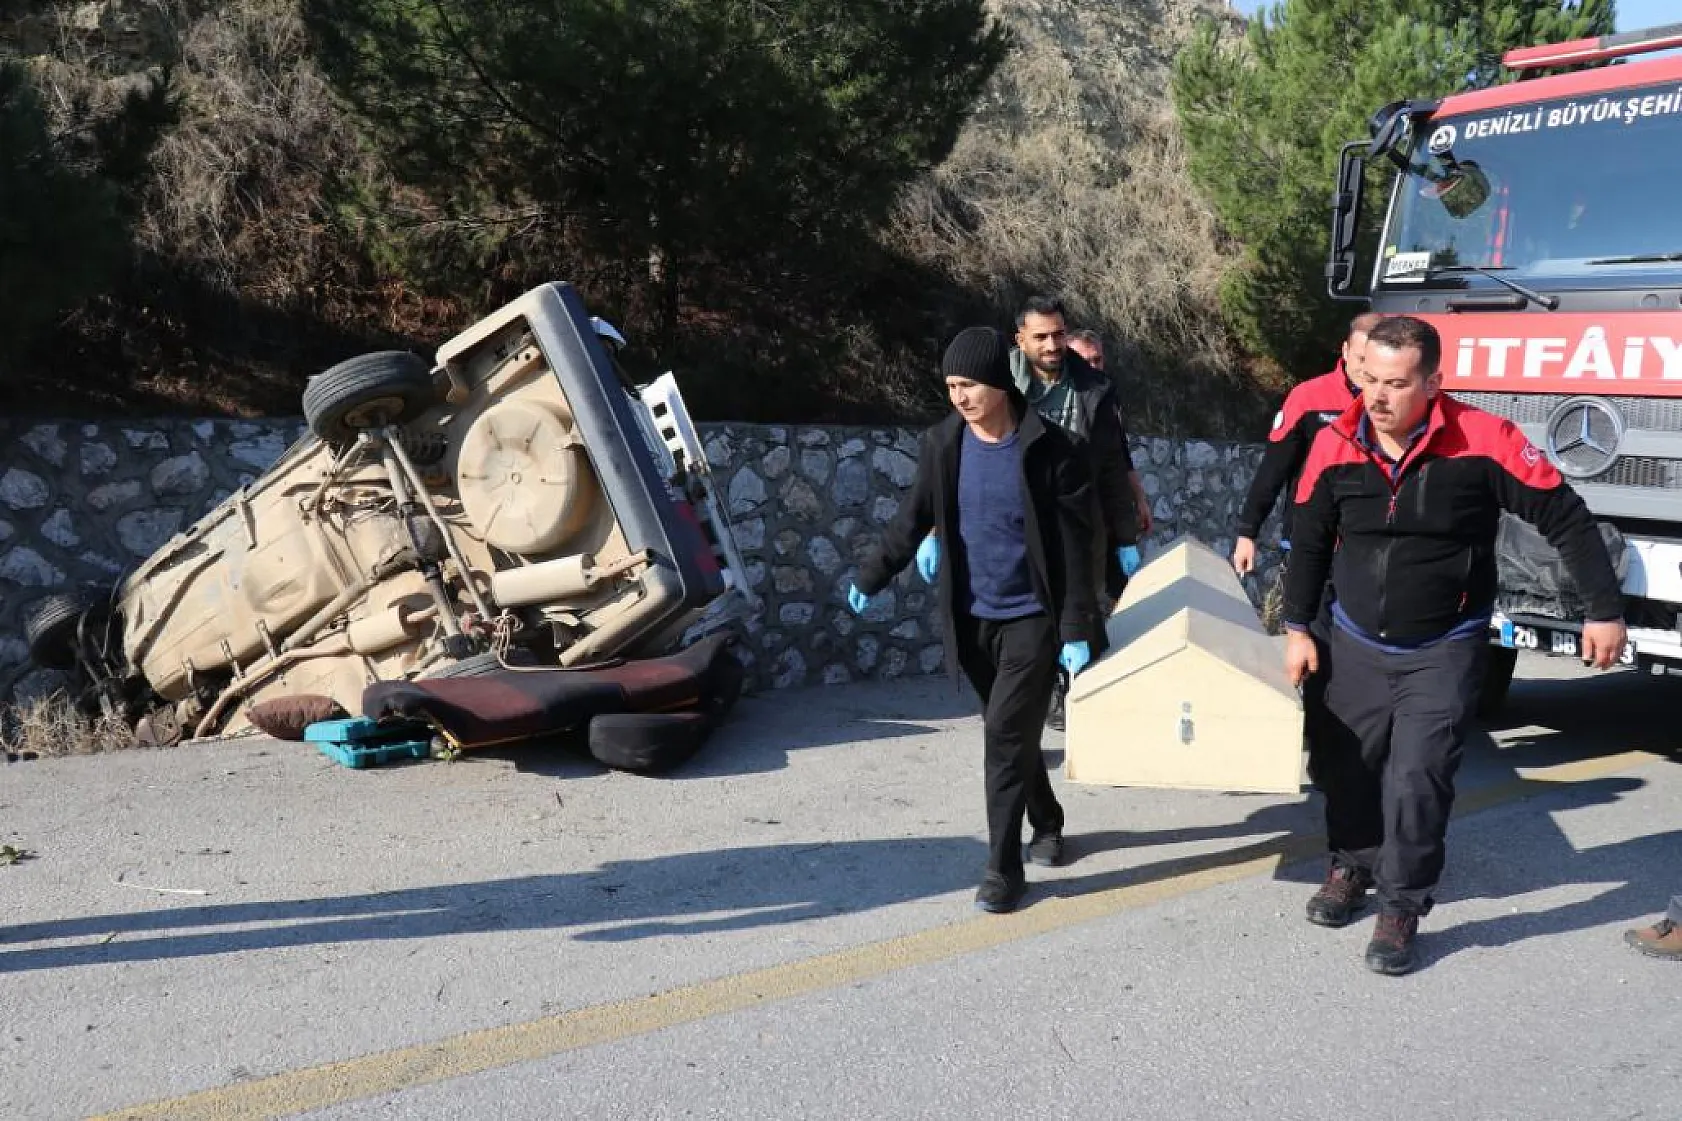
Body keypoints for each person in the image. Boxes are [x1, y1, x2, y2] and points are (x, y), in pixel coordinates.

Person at [1282, 314, 1626, 976]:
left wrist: (1602, 611)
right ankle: (1352, 866)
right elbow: (1309, 539)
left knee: (1418, 778)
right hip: (1351, 637)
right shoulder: (1336, 443)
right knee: (1345, 764)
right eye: (1368, 379)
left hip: (1444, 643)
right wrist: (1298, 627)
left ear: (1434, 382)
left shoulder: (1484, 439)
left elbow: (1567, 518)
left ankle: (1401, 905)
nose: (1377, 397)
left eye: (1396, 383)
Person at [848, 326, 1096, 914]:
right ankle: (1049, 819)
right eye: (951, 386)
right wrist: (871, 576)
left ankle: (1003, 870)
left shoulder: (1049, 448)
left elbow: (1075, 548)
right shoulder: (944, 445)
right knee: (1013, 732)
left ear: (1000, 383)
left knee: (1004, 738)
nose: (959, 396)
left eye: (970, 384)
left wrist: (1077, 627)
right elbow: (912, 518)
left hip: (1031, 617)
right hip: (974, 616)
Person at [1231, 311, 1383, 578]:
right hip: (1308, 540)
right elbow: (1273, 469)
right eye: (1360, 359)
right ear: (1345, 350)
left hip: (1370, 546)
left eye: (1373, 361)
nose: (1365, 369)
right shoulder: (1308, 398)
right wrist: (1247, 533)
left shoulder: (1395, 404)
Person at [1067, 328, 1153, 541]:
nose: (1093, 367)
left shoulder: (1108, 398)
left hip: (1109, 507)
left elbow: (1121, 452)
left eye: (1097, 360)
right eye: (1085, 361)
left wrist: (1139, 499)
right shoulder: (1062, 402)